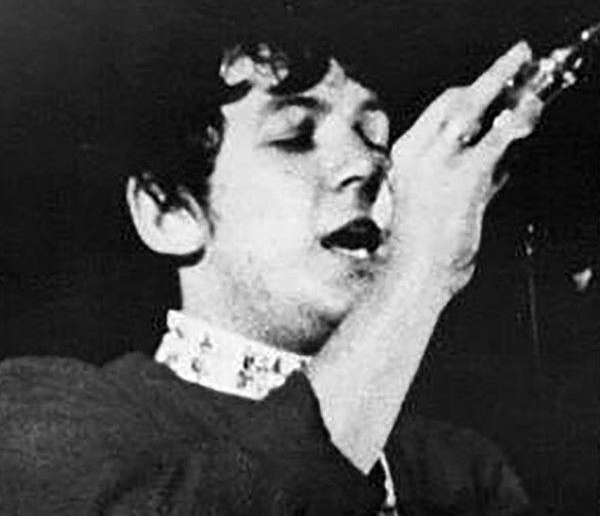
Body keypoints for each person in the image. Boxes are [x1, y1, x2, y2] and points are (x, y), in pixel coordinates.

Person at [0, 34, 543, 514]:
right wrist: (417, 272)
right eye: (296, 136)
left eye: (375, 137)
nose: (369, 165)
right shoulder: (41, 415)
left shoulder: (463, 472)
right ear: (169, 214)